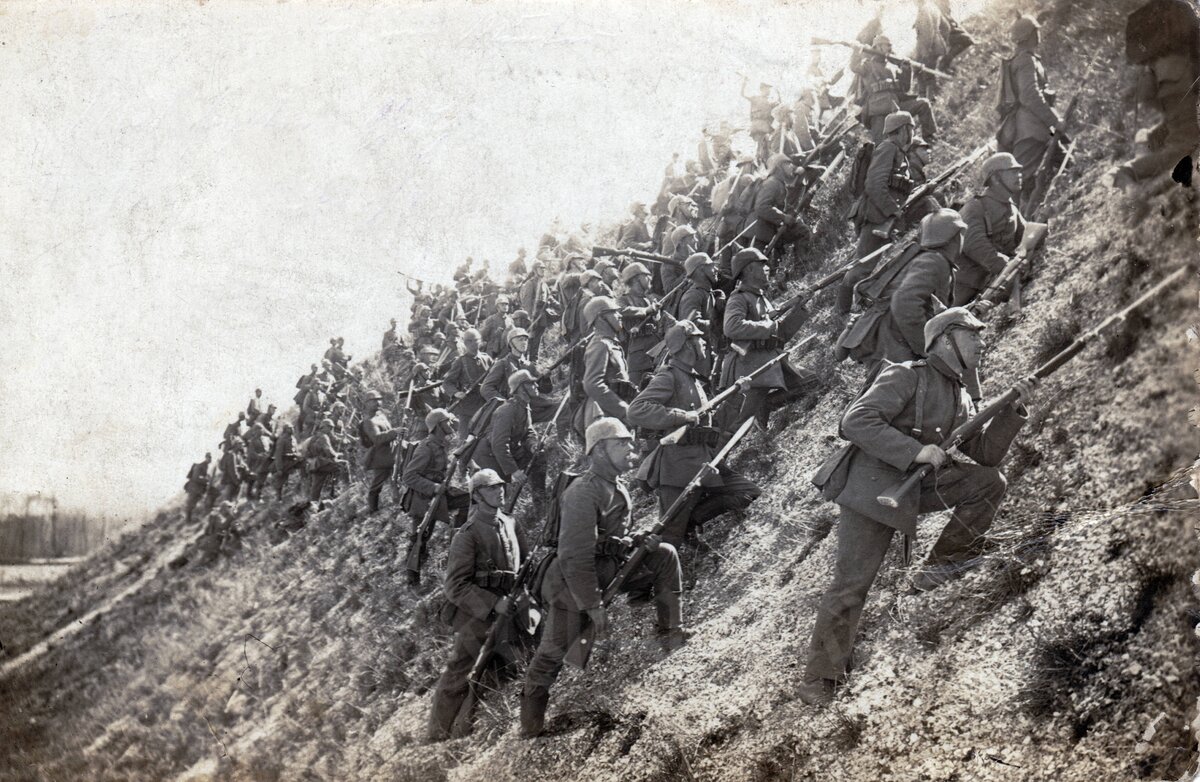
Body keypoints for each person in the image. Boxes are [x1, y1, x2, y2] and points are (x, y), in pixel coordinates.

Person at [800, 308, 1036, 705]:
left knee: (987, 483)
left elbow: (986, 454)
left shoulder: (960, 392)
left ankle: (942, 565)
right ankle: (819, 679)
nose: (981, 343)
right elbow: (855, 421)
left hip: (913, 487)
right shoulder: (907, 373)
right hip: (871, 488)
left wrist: (1012, 411)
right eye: (972, 335)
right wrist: (915, 451)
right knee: (852, 585)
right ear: (946, 339)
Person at [519, 418, 687, 738]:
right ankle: (530, 729)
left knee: (664, 554)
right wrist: (593, 604)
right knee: (550, 657)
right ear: (598, 452)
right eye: (620, 444)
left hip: (608, 569)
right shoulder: (583, 492)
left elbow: (612, 537)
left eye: (629, 443)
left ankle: (670, 635)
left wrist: (637, 540)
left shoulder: (616, 484)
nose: (630, 449)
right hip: (573, 585)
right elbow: (574, 556)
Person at [629, 321, 761, 548]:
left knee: (747, 492)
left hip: (704, 463)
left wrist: (738, 393)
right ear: (686, 345)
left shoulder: (691, 377)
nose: (703, 342)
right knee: (668, 539)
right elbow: (637, 409)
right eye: (698, 338)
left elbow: (713, 422)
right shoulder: (669, 377)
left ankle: (691, 520)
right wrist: (681, 416)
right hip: (677, 469)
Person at [427, 468, 530, 742]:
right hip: (476, 614)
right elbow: (455, 585)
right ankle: (437, 735)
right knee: (460, 672)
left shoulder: (510, 522)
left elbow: (525, 565)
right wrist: (494, 603)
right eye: (491, 488)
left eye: (500, 486)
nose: (499, 490)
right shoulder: (467, 534)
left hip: (511, 608)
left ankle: (471, 729)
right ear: (477, 496)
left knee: (510, 665)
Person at [836, 209, 968, 384]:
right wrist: (927, 346)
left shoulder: (927, 258)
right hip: (892, 339)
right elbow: (905, 304)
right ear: (954, 237)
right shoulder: (935, 262)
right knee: (895, 393)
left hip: (884, 336)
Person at [1109, 0, 1200, 188]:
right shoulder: (1180, 8)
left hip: (1159, 83)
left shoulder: (1150, 14)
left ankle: (1151, 138)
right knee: (1183, 146)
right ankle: (1126, 172)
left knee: (1180, 123)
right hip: (1179, 82)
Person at [721, 248, 815, 428]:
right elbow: (731, 327)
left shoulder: (761, 298)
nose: (767, 268)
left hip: (769, 362)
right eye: (761, 265)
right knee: (739, 427)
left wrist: (799, 309)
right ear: (748, 270)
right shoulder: (739, 299)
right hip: (749, 369)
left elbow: (780, 335)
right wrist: (769, 325)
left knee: (812, 382)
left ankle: (766, 404)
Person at [843, 112, 917, 314]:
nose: (913, 132)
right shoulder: (887, 149)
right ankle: (842, 310)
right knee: (862, 267)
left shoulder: (897, 152)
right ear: (903, 130)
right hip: (876, 216)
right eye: (911, 128)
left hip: (882, 216)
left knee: (865, 265)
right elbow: (875, 185)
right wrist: (893, 211)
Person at [996, 15, 1065, 210]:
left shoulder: (1023, 58)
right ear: (1030, 35)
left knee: (1065, 162)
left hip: (1034, 128)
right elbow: (1029, 95)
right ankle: (1017, 226)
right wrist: (1054, 120)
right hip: (1031, 131)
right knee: (1022, 182)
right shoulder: (1025, 60)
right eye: (1036, 31)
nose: (1039, 34)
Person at [953, 153, 1028, 306]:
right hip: (966, 288)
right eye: (1012, 172)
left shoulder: (1010, 205)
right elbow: (974, 244)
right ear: (995, 178)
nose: (1019, 175)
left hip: (993, 282)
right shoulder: (975, 207)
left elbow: (1023, 236)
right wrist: (1004, 265)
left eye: (1019, 171)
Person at [850, 33, 938, 143]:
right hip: (878, 113)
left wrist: (907, 69)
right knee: (882, 145)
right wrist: (856, 51)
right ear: (877, 47)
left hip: (896, 107)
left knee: (923, 104)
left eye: (890, 46)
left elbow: (905, 88)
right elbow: (854, 67)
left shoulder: (893, 67)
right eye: (887, 45)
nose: (890, 48)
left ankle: (930, 138)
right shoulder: (867, 65)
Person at [579, 296, 634, 432]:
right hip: (604, 416)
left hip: (612, 413)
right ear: (601, 318)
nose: (619, 315)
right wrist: (623, 409)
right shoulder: (600, 344)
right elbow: (592, 384)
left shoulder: (609, 343)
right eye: (613, 312)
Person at [473, 370, 537, 484]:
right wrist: (514, 470)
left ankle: (539, 497)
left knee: (539, 457)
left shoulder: (523, 406)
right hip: (488, 456)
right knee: (496, 490)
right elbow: (499, 444)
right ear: (521, 388)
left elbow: (528, 431)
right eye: (531, 383)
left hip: (501, 453)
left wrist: (533, 444)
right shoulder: (507, 410)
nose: (536, 385)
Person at [744, 153, 808, 257]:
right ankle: (802, 266)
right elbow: (762, 207)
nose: (792, 166)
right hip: (760, 232)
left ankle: (800, 267)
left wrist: (789, 213)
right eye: (788, 164)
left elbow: (777, 205)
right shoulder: (772, 183)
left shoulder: (778, 183)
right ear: (779, 167)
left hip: (766, 230)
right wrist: (783, 217)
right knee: (756, 264)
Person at [616, 262, 662, 389]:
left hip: (656, 350)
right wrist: (645, 311)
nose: (650, 278)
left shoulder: (648, 299)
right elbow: (620, 311)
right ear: (636, 278)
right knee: (637, 391)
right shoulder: (623, 300)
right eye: (646, 276)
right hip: (639, 355)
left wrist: (656, 313)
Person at [442, 328, 494, 437]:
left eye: (475, 340)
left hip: (485, 405)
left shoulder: (487, 359)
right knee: (464, 442)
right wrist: (456, 393)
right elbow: (447, 382)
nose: (472, 343)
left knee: (484, 439)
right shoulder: (460, 361)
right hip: (467, 408)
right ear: (465, 343)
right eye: (469, 341)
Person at [360, 391, 399, 513]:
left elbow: (389, 430)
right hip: (380, 457)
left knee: (397, 478)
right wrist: (394, 432)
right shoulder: (368, 421)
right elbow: (376, 439)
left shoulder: (381, 416)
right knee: (377, 485)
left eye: (379, 399)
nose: (377, 402)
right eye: (373, 400)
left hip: (392, 452)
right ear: (366, 404)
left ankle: (398, 503)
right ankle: (373, 509)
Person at [306, 419, 343, 505]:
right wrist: (337, 454)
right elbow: (329, 452)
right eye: (330, 427)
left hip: (314, 465)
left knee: (316, 486)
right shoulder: (324, 437)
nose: (331, 430)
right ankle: (338, 490)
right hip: (322, 463)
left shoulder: (314, 437)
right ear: (324, 427)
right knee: (342, 465)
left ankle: (312, 506)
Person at [742, 78, 779, 163]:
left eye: (769, 89)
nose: (769, 91)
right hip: (761, 127)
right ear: (762, 89)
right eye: (767, 89)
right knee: (763, 146)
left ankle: (760, 161)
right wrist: (744, 83)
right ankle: (760, 162)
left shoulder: (769, 101)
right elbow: (743, 94)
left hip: (760, 127)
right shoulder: (756, 98)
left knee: (762, 147)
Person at [272, 423, 302, 500]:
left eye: (292, 427)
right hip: (285, 463)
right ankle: (278, 497)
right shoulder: (282, 440)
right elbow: (278, 455)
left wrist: (297, 455)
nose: (292, 429)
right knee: (280, 480)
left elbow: (296, 450)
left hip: (293, 461)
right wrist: (279, 468)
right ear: (285, 429)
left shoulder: (293, 439)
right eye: (290, 428)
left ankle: (291, 496)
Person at [184, 453, 213, 523]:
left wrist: (207, 477)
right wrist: (206, 480)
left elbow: (202, 475)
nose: (210, 459)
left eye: (210, 458)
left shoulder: (205, 466)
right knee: (191, 504)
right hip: (194, 488)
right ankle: (188, 520)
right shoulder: (200, 466)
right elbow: (196, 478)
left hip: (197, 488)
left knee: (194, 503)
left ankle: (192, 518)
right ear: (206, 458)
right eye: (209, 458)